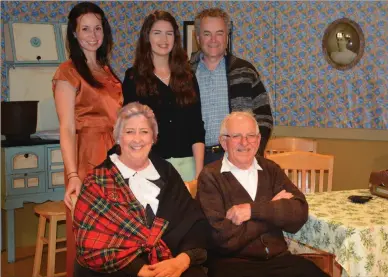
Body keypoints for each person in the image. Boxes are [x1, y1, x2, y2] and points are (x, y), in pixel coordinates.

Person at [73, 102, 209, 277]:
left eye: (144, 132)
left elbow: (193, 222)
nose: (137, 139)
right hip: (118, 270)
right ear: (118, 137)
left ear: (153, 138)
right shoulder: (97, 181)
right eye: (129, 132)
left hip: (170, 261)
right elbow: (90, 243)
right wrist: (139, 270)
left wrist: (181, 261)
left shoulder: (167, 173)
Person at [196, 111, 330, 277]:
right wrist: (273, 212)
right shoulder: (210, 176)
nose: (245, 143)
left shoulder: (270, 169)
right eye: (236, 136)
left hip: (279, 260)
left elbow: (299, 212)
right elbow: (222, 238)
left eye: (251, 135)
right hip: (233, 264)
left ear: (258, 140)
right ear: (224, 142)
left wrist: (252, 211)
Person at [52, 2, 122, 277]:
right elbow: (67, 128)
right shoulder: (67, 72)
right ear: (73, 33)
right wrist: (72, 176)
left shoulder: (108, 72)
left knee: (115, 236)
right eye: (85, 29)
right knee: (91, 238)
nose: (93, 35)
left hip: (114, 158)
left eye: (98, 28)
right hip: (87, 159)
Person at [123, 11, 205, 182]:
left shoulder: (188, 76)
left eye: (169, 33)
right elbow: (130, 130)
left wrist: (199, 174)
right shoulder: (133, 78)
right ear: (147, 37)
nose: (164, 39)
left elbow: (196, 127)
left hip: (187, 166)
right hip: (149, 166)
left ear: (175, 39)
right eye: (157, 33)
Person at [190, 8, 273, 165]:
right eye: (207, 34)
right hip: (195, 161)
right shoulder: (185, 74)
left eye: (219, 33)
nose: (213, 40)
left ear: (227, 37)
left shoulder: (245, 71)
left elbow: (265, 117)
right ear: (198, 37)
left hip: (237, 157)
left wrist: (253, 151)